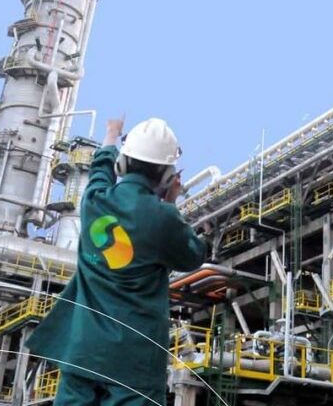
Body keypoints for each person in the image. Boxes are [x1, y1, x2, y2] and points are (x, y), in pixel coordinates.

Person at [26, 117, 207, 405]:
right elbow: (194, 255)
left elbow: (100, 169)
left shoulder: (94, 200)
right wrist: (171, 202)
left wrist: (112, 133)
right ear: (166, 176)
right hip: (133, 359)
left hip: (82, 351)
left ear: (122, 164)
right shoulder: (163, 218)